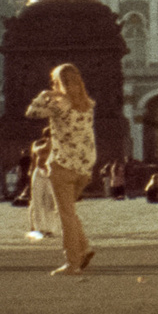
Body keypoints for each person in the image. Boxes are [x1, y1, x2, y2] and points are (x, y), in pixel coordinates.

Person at [25, 64, 97, 275]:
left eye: (54, 82)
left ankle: (72, 263)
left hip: (62, 165)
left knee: (65, 215)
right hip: (84, 168)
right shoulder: (88, 104)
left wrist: (45, 94)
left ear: (58, 83)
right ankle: (84, 248)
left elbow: (32, 112)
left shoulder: (59, 104)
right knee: (69, 212)